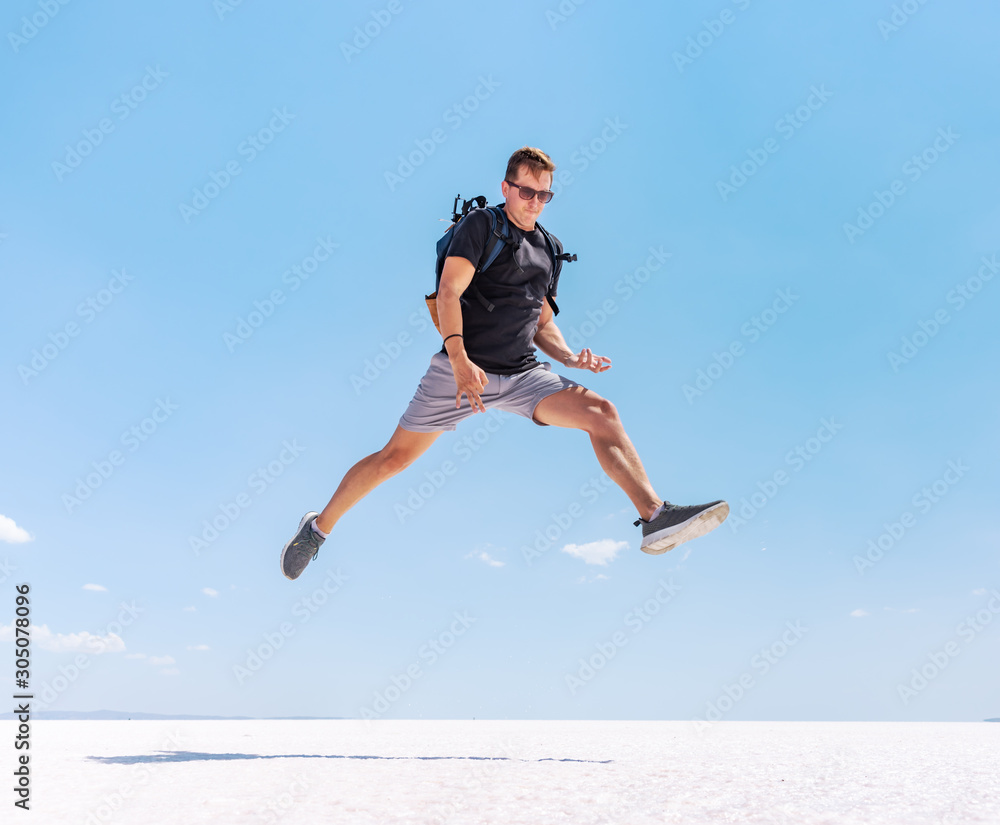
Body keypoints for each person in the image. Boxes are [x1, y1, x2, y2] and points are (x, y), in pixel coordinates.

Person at [280, 146, 727, 580]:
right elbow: (450, 291)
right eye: (526, 191)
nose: (534, 202)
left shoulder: (550, 248)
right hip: (461, 368)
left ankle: (654, 517)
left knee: (602, 412)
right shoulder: (482, 226)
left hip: (522, 375)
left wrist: (572, 356)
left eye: (543, 195)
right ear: (507, 187)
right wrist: (458, 359)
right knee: (394, 458)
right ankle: (317, 530)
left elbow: (542, 321)